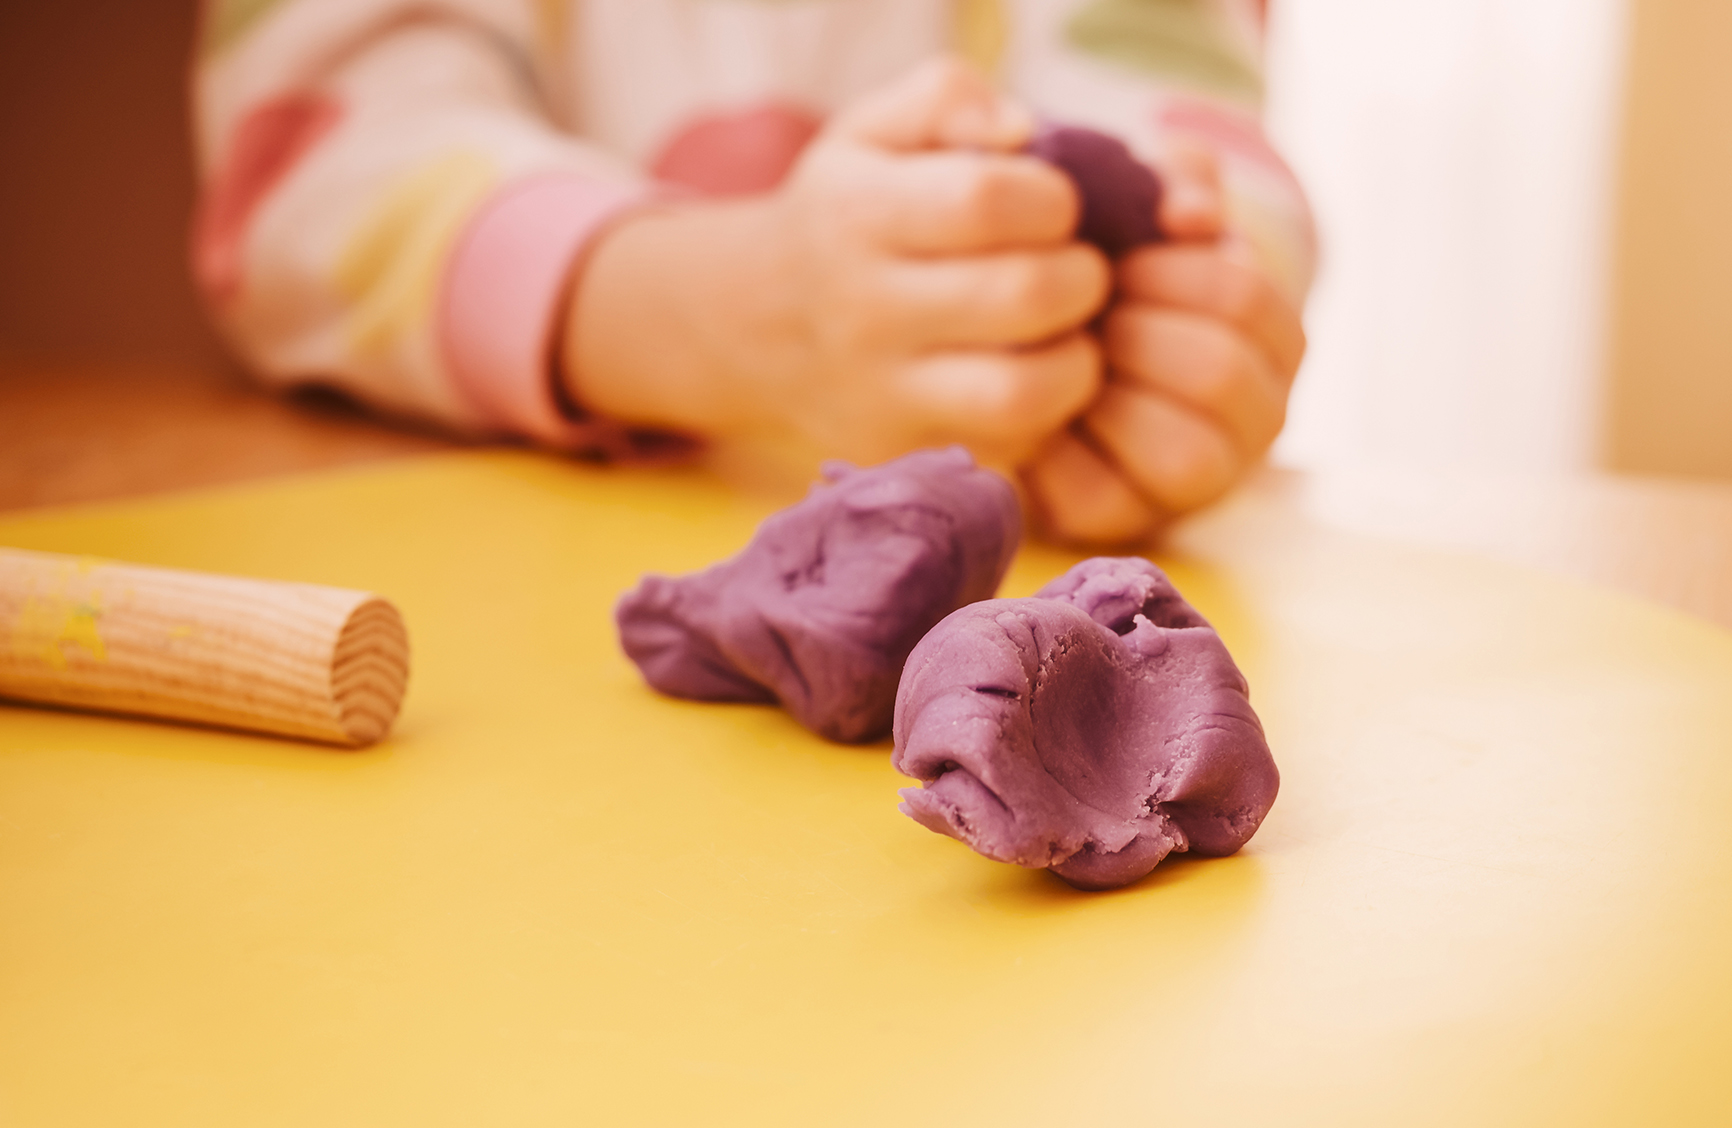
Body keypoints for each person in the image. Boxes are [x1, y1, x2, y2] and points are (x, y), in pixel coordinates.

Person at [191, 0, 1314, 543]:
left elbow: (1188, 109)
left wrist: (1192, 317)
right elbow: (318, 169)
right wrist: (725, 311)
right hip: (449, 541)